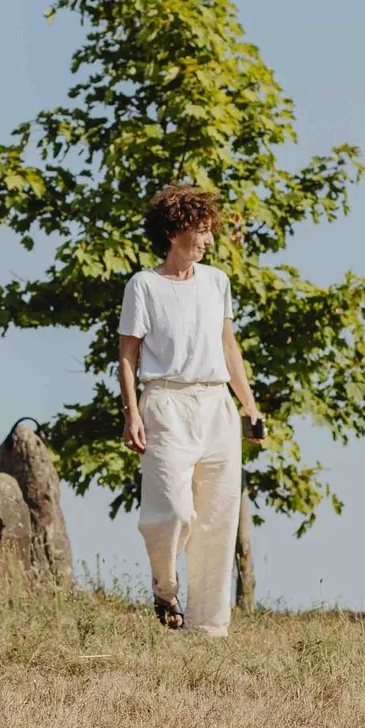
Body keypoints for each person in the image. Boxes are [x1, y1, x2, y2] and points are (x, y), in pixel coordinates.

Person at [119, 184, 264, 637]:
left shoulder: (216, 281)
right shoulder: (143, 285)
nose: (208, 240)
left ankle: (209, 628)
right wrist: (131, 413)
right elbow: (127, 355)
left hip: (215, 403)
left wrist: (250, 407)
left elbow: (228, 346)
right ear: (176, 230)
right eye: (201, 231)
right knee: (173, 511)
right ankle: (165, 587)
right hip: (166, 403)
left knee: (219, 518)